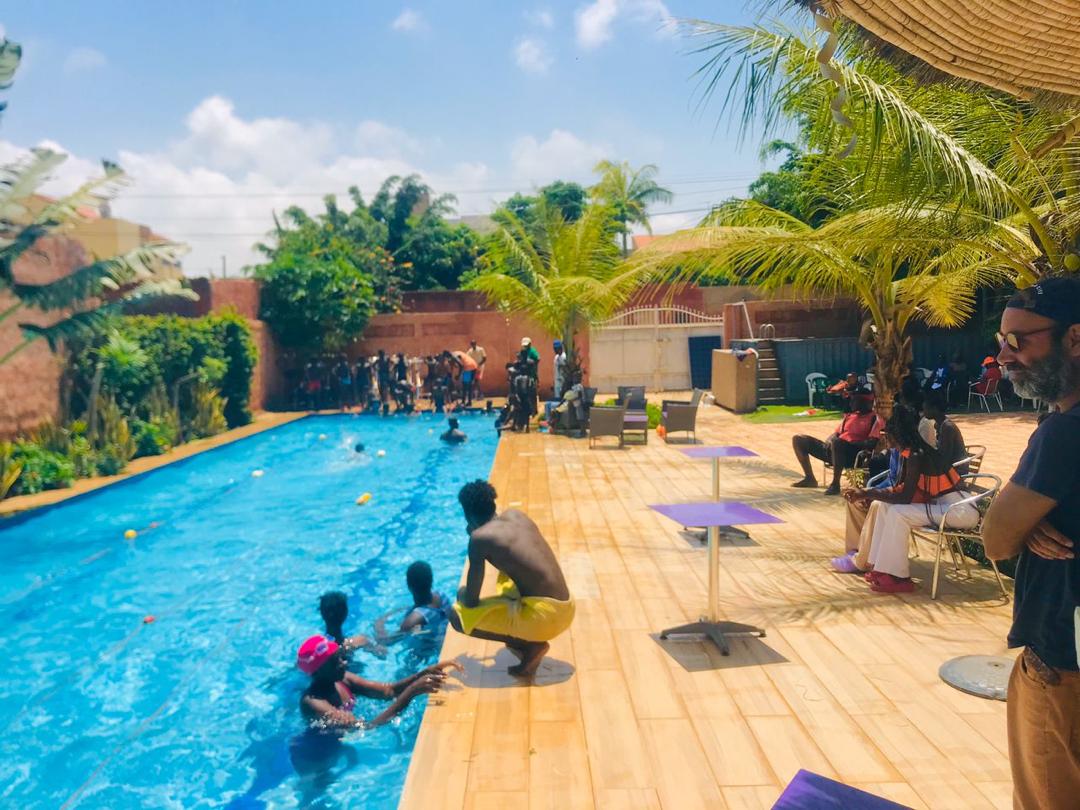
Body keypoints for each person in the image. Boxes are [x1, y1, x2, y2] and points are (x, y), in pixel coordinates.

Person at [981, 278, 1080, 810]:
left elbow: (996, 539)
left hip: (1061, 664)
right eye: (1002, 341)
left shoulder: (1064, 433)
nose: (1004, 356)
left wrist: (1024, 523)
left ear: (1076, 339)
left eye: (1020, 342)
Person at [832, 404, 978, 591]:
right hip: (942, 507)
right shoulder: (911, 452)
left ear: (897, 435)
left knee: (898, 513)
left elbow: (904, 498)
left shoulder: (917, 455)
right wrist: (870, 494)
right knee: (881, 505)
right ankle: (877, 567)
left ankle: (898, 577)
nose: (886, 439)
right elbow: (899, 489)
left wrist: (866, 492)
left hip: (959, 510)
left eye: (888, 435)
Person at [449, 480, 575, 678]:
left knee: (456, 616)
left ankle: (531, 645)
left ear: (467, 514)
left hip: (545, 618)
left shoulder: (479, 538)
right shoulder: (517, 516)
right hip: (565, 607)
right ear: (492, 503)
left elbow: (471, 600)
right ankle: (529, 639)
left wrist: (462, 594)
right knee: (506, 581)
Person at [297, 635, 458, 729]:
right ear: (317, 671)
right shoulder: (314, 703)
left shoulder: (343, 678)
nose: (343, 663)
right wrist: (411, 692)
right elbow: (368, 727)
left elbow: (389, 691)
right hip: (321, 753)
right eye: (335, 661)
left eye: (340, 657)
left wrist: (424, 673)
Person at [791, 391, 882, 495]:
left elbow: (871, 443)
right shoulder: (849, 416)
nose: (851, 403)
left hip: (853, 455)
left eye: (854, 401)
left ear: (865, 402)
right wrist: (830, 442)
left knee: (838, 443)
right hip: (834, 450)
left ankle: (835, 484)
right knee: (798, 439)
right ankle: (810, 478)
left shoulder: (875, 419)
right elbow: (836, 434)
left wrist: (847, 443)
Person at [376, 561, 453, 639]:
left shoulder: (412, 621)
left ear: (409, 586)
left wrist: (379, 624)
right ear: (431, 580)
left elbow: (386, 641)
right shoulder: (442, 596)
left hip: (429, 648)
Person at [318, 591, 377, 655]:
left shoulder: (316, 650)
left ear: (321, 614)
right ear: (346, 614)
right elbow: (382, 653)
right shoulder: (359, 641)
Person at [921, 390, 967, 470]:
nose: (924, 412)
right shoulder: (938, 424)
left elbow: (945, 457)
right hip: (948, 465)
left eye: (926, 409)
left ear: (934, 409)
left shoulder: (947, 427)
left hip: (956, 469)